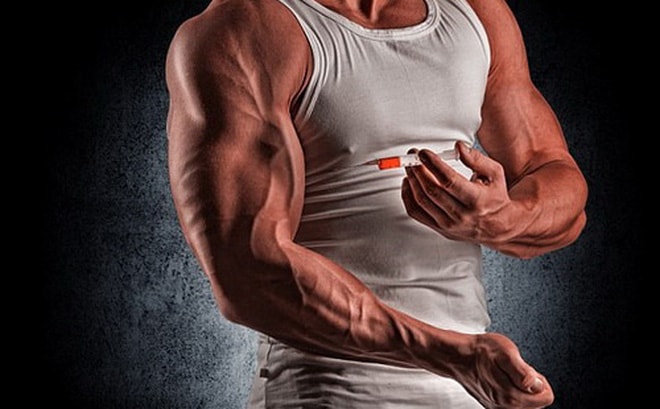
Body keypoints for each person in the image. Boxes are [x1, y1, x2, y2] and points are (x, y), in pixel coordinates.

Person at [165, 0, 587, 407]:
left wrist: (505, 218)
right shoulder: (244, 28)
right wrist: (454, 356)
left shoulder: (474, 11)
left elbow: (556, 180)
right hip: (330, 392)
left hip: (472, 389)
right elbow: (248, 272)